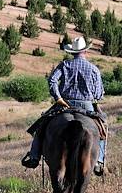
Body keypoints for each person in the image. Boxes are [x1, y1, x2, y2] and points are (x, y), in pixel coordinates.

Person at [22, 37, 107, 175]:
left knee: (41, 126)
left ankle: (34, 156)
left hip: (64, 104)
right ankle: (99, 161)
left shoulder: (65, 65)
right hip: (86, 105)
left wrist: (58, 98)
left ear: (72, 52)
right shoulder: (94, 69)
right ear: (85, 51)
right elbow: (98, 94)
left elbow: (52, 81)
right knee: (102, 129)